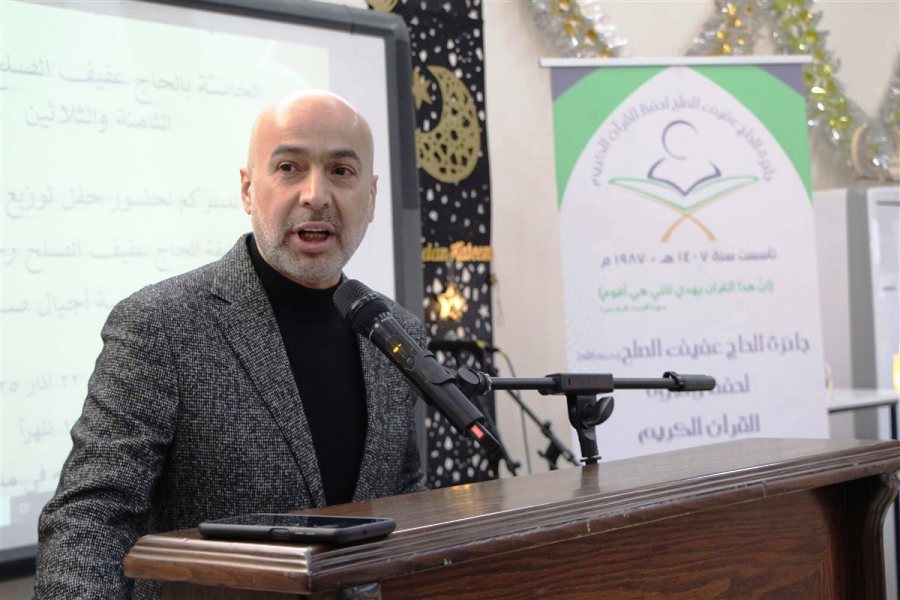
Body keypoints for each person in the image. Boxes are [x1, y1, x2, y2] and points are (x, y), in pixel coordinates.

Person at [34, 91, 426, 599]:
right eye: (289, 167)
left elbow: (406, 497)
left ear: (371, 197)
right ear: (247, 190)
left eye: (341, 171)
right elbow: (91, 517)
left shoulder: (395, 334)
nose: (316, 195)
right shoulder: (160, 324)